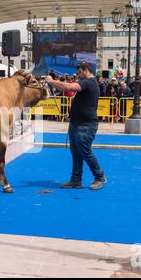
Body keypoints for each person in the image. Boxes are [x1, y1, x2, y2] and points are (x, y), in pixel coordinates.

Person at [46, 62, 106, 190]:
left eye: (79, 72)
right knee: (76, 153)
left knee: (85, 151)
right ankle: (75, 180)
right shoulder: (89, 83)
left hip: (85, 125)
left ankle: (99, 177)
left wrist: (52, 81)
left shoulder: (88, 82)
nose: (78, 75)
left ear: (85, 70)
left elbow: (68, 87)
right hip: (77, 124)